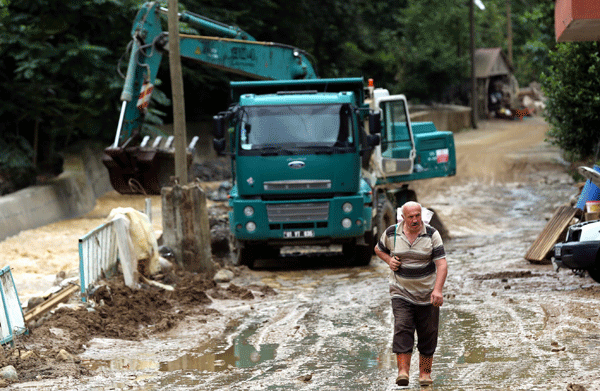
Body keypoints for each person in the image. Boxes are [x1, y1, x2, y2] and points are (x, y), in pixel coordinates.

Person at [374, 201, 448, 387]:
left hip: (427, 293)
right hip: (401, 291)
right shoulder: (392, 233)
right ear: (403, 217)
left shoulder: (432, 234)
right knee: (403, 327)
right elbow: (378, 249)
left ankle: (424, 373)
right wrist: (389, 260)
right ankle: (403, 372)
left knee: (428, 334)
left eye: (418, 215)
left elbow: (441, 264)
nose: (415, 220)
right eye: (411, 217)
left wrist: (438, 290)